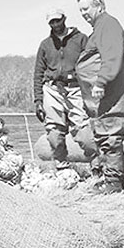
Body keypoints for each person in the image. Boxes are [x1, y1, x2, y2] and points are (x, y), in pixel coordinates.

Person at [75, 0, 124, 194]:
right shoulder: (99, 27)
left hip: (110, 93)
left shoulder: (108, 24)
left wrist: (100, 82)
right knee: (103, 134)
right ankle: (115, 178)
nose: (83, 13)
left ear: (99, 6)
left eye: (86, 8)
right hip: (102, 96)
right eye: (80, 10)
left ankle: (114, 184)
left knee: (110, 135)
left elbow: (111, 56)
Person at [34, 9, 97, 171]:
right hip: (52, 90)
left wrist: (92, 91)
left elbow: (92, 65)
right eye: (52, 22)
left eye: (58, 20)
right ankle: (62, 167)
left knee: (84, 134)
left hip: (76, 88)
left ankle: (98, 165)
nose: (55, 24)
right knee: (54, 134)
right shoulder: (45, 45)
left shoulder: (81, 39)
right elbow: (38, 74)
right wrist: (38, 101)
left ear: (64, 19)